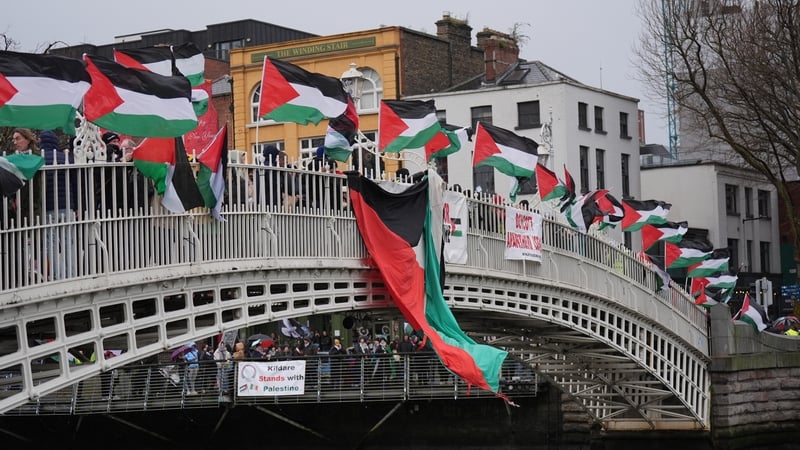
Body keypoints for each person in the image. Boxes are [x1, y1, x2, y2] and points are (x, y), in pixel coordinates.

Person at [40, 130, 77, 280]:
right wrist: (76, 206)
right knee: (69, 242)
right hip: (67, 205)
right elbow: (75, 183)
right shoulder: (67, 158)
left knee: (52, 244)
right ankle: (72, 274)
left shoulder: (39, 159)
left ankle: (60, 276)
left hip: (48, 207)